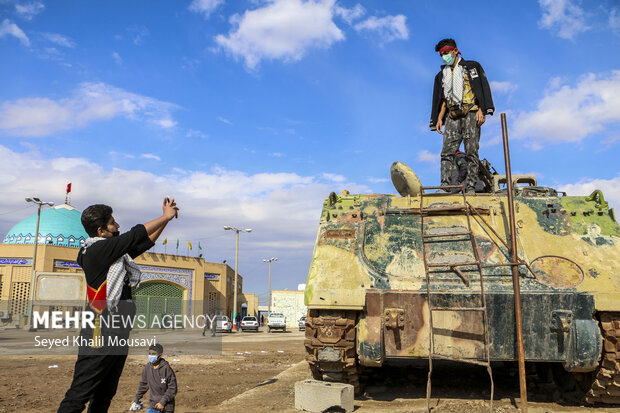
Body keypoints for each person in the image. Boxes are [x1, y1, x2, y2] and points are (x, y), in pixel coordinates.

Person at [58, 198, 179, 413]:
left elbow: (143, 242)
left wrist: (166, 222)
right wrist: (164, 216)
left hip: (117, 329)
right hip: (99, 331)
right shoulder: (96, 251)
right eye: (113, 223)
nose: (118, 226)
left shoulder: (113, 256)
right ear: (101, 230)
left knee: (105, 392)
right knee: (80, 393)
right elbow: (135, 234)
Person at [429, 38, 494, 193]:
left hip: (471, 112)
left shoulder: (471, 67)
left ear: (455, 51)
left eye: (446, 52)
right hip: (452, 115)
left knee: (471, 151)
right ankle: (445, 186)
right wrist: (439, 118)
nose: (445, 56)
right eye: (442, 54)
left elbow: (482, 87)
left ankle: (471, 186)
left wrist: (482, 110)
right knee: (446, 152)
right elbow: (443, 98)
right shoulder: (441, 75)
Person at [131, 343, 177, 413]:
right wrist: (136, 398)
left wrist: (162, 402)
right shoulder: (147, 367)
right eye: (149, 353)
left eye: (153, 354)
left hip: (166, 407)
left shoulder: (166, 369)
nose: (151, 355)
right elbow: (143, 385)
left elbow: (172, 389)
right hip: (152, 405)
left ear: (160, 355)